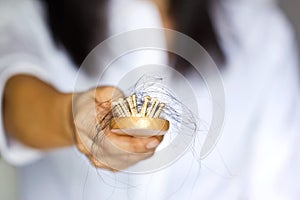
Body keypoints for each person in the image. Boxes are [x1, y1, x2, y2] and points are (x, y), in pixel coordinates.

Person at [0, 0, 299, 199]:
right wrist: (71, 118)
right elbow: (13, 98)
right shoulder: (29, 9)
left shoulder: (258, 27)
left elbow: (278, 184)